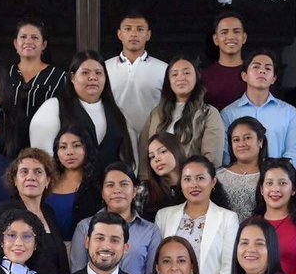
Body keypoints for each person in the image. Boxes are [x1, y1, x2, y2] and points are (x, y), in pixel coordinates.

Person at [30, 51, 137, 170]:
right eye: (85, 73)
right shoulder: (54, 108)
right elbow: (42, 159)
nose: (92, 77)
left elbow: (130, 159)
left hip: (110, 187)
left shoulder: (118, 113)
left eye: (98, 73)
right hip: (67, 187)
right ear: (72, 77)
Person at [153, 156, 238, 274]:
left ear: (213, 182)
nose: (193, 184)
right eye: (187, 179)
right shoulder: (164, 216)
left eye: (200, 178)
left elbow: (228, 267)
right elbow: (158, 262)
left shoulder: (228, 218)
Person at [69, 162, 162, 274]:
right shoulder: (84, 227)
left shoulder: (150, 231)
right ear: (102, 193)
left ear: (134, 191)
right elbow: (78, 272)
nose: (117, 190)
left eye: (124, 184)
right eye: (110, 185)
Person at [0, 148, 70, 274]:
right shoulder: (5, 211)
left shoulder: (49, 212)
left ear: (48, 181)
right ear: (15, 180)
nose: (31, 177)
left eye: (38, 172)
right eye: (24, 172)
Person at [139, 53, 225, 170]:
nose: (180, 78)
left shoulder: (209, 113)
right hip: (158, 185)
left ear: (197, 77)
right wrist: (147, 183)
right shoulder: (156, 114)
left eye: (186, 73)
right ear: (168, 81)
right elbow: (144, 152)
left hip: (192, 183)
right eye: (174, 74)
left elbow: (212, 159)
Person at [220, 49, 296, 169]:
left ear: (273, 78)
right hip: (239, 181)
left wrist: (275, 178)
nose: (262, 71)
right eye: (256, 67)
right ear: (244, 76)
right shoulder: (228, 113)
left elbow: (293, 155)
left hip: (277, 184)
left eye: (268, 68)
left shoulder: (289, 113)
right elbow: (225, 156)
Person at [104, 11, 167, 139]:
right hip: (114, 138)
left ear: (148, 34)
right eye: (128, 29)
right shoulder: (104, 68)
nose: (133, 34)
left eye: (140, 29)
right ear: (119, 34)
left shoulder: (164, 69)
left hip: (154, 139)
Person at [9, 19, 67, 121]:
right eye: (23, 37)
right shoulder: (5, 74)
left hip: (46, 135)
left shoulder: (59, 76)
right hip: (8, 135)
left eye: (35, 37)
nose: (28, 41)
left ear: (43, 45)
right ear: (15, 44)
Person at [218, 117, 267, 222]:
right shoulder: (218, 176)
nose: (241, 144)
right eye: (236, 140)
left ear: (260, 141)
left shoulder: (272, 173)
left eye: (247, 138)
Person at [202, 12, 249, 110]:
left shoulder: (256, 74)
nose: (231, 37)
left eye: (236, 32)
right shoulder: (203, 77)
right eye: (224, 32)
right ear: (216, 39)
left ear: (244, 38)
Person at [141, 132, 185, 222]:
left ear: (177, 150)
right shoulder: (145, 189)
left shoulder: (194, 183)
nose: (157, 159)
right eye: (152, 157)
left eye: (163, 151)